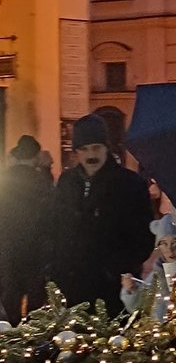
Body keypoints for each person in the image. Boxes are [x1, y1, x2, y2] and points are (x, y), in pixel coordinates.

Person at [49, 114, 153, 316]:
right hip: (70, 287)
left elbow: (143, 237)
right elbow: (54, 225)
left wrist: (115, 269)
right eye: (84, 149)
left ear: (107, 147)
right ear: (77, 152)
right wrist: (53, 268)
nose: (91, 155)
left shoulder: (130, 185)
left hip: (111, 290)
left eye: (96, 147)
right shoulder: (67, 182)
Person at [0, 135, 54, 323]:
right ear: (36, 156)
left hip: (8, 247)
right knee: (35, 299)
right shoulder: (41, 179)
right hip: (35, 248)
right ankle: (32, 336)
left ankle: (11, 335)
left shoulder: (4, 179)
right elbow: (50, 211)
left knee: (10, 296)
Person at [121, 214, 176, 318]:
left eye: (175, 243)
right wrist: (132, 289)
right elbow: (138, 307)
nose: (169, 249)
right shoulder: (157, 273)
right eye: (164, 243)